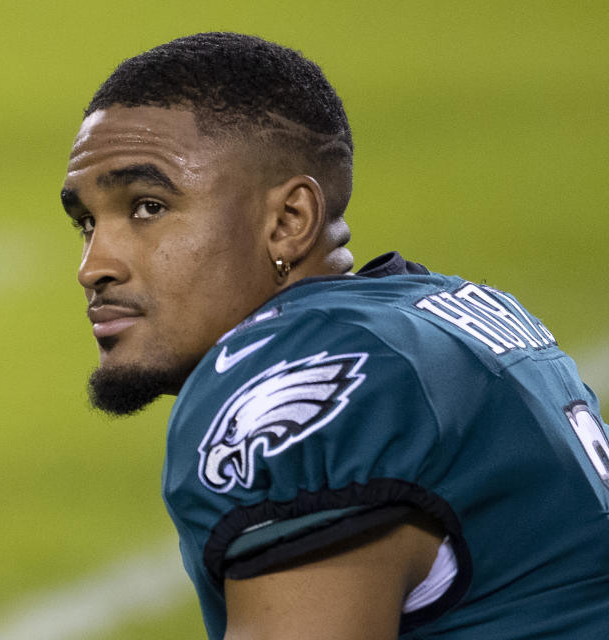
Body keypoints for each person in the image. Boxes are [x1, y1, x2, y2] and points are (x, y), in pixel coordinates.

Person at [60, 32, 609, 639]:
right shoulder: (447, 313)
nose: (95, 266)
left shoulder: (301, 369)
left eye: (148, 207)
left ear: (289, 222)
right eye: (86, 222)